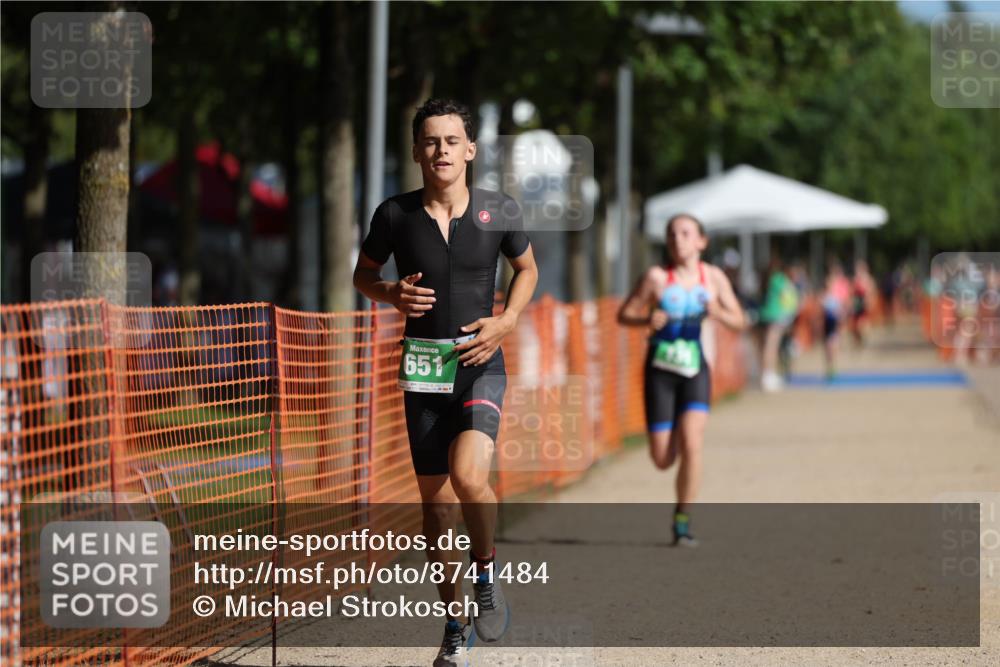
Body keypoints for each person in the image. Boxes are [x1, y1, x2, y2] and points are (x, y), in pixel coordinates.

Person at [353, 99, 538, 666]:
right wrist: (389, 293)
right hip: (424, 372)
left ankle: (486, 573)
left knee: (467, 478)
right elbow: (363, 275)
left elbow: (527, 269)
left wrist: (506, 320)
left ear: (470, 150)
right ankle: (455, 624)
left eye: (452, 141)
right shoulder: (394, 216)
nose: (441, 151)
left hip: (480, 362)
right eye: (431, 142)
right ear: (416, 152)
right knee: (434, 509)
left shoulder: (497, 211)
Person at [617, 214, 745, 546]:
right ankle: (670, 431)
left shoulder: (712, 278)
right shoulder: (657, 278)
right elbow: (624, 314)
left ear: (702, 241)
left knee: (692, 444)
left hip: (694, 369)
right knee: (662, 459)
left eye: (686, 233)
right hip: (659, 371)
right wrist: (647, 317)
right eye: (672, 234)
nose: (678, 240)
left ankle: (682, 519)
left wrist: (716, 311)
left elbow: (740, 321)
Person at [757, 255, 799, 392]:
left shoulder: (767, 278)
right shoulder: (780, 279)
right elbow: (788, 296)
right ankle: (768, 375)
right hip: (775, 316)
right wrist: (790, 312)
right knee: (771, 347)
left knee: (764, 347)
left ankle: (766, 374)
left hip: (764, 314)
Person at [821, 261, 852, 381]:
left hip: (834, 323)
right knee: (827, 347)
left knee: (832, 345)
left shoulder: (840, 290)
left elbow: (845, 305)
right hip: (827, 323)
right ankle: (830, 367)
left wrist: (842, 314)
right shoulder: (825, 296)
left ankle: (832, 367)